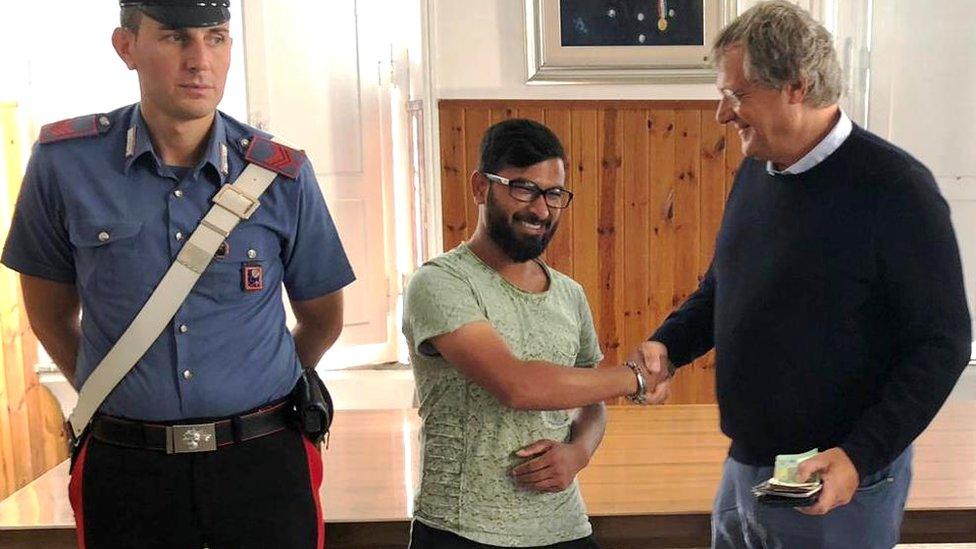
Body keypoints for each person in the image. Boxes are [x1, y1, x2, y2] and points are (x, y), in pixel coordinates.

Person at [1, 2, 355, 547]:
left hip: (262, 464)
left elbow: (323, 319)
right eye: (174, 38)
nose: (199, 61)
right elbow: (48, 315)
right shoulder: (64, 165)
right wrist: (118, 390)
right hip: (127, 469)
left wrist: (254, 381)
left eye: (216, 38)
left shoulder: (281, 175)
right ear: (126, 47)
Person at [629, 2, 972, 548]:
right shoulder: (758, 170)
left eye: (737, 95)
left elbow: (944, 342)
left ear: (796, 85)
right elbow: (725, 286)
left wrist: (859, 458)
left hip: (834, 487)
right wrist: (668, 346)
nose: (722, 114)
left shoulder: (897, 190)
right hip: (746, 467)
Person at [403, 118, 670, 549]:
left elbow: (591, 402)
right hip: (460, 532)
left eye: (554, 194)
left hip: (563, 527)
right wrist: (638, 379)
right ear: (480, 187)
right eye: (522, 188)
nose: (541, 210)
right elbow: (516, 384)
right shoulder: (439, 284)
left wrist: (578, 453)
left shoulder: (569, 294)